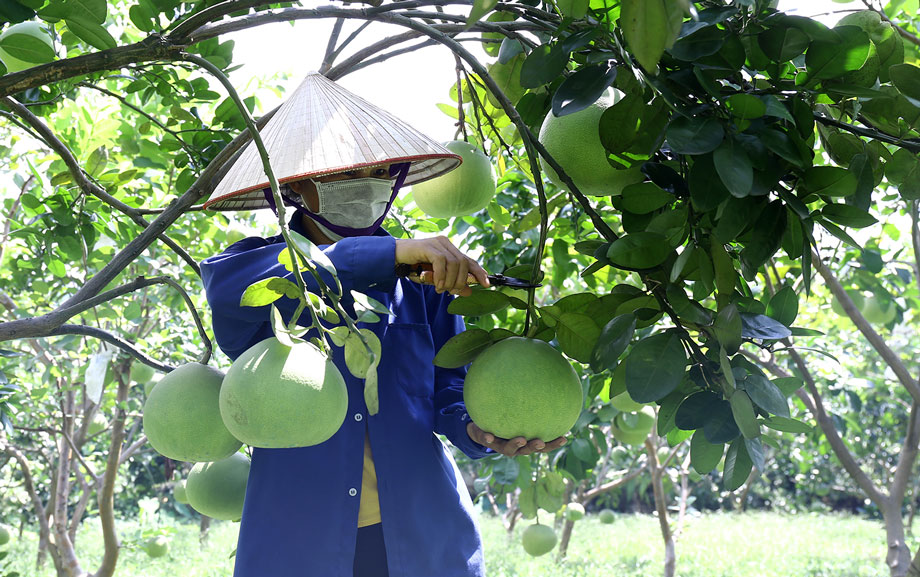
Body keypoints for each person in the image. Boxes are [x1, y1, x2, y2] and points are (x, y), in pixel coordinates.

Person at [200, 73, 566, 577]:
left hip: (423, 539)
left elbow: (446, 390)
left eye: (380, 170)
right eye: (348, 172)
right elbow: (228, 295)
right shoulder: (257, 270)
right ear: (297, 186)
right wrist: (384, 254)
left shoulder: (420, 282)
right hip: (299, 544)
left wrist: (477, 430)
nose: (370, 180)